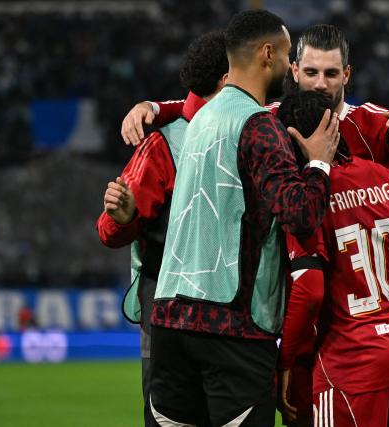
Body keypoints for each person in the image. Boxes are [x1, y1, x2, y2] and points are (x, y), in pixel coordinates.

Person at [149, 10, 340, 427]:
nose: (292, 69)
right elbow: (300, 214)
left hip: (168, 320)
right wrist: (320, 164)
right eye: (289, 55)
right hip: (231, 328)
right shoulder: (258, 125)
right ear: (267, 54)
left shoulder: (199, 121)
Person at [276, 90, 389, 427]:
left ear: (290, 137)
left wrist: (283, 361)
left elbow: (309, 290)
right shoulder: (386, 178)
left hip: (347, 364)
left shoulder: (307, 199)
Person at [96, 31, 228, 427]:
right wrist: (123, 219)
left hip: (217, 311)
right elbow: (109, 228)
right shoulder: (164, 145)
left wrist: (154, 105)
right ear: (227, 80)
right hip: (174, 312)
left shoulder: (249, 129)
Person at [121, 24, 389, 174]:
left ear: (346, 75)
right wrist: (153, 108)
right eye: (311, 72)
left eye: (330, 74)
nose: (319, 84)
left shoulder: (370, 121)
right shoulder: (271, 116)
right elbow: (212, 110)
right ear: (295, 71)